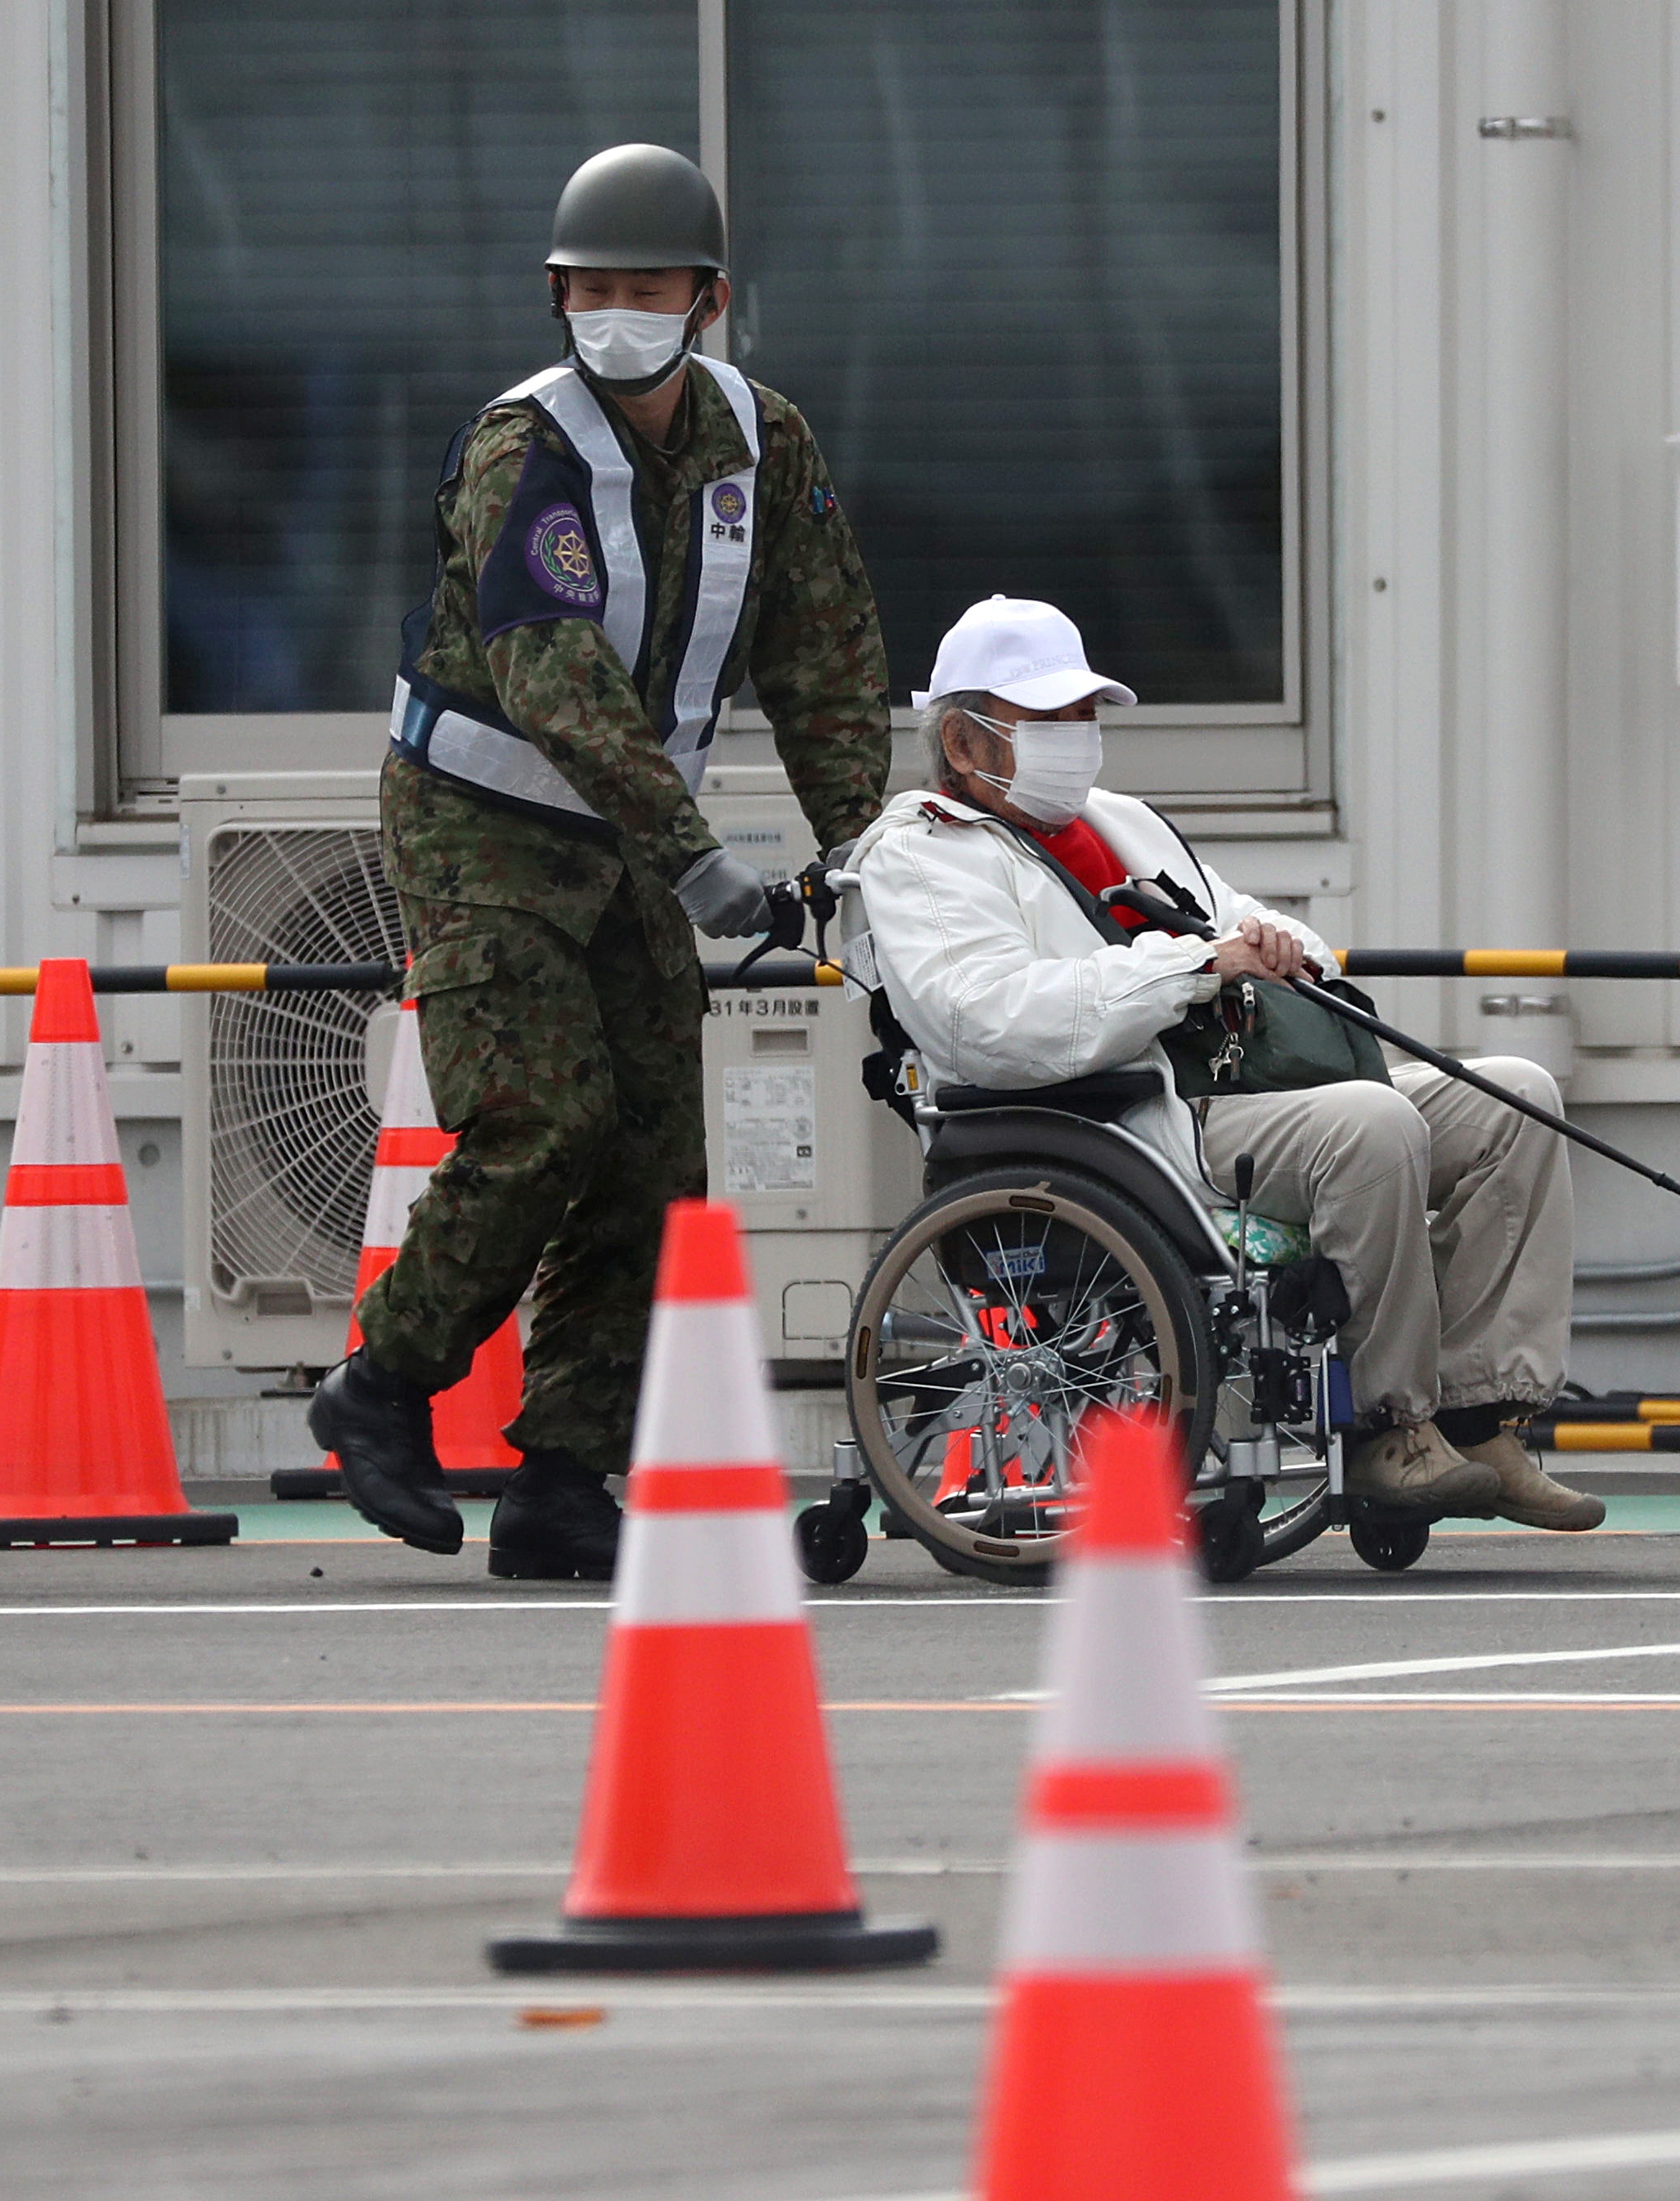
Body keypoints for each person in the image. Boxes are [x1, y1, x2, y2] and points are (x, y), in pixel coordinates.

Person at [311, 143, 892, 1580]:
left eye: (646, 290)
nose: (616, 313)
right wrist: (698, 858)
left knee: (657, 1157)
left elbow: (821, 655)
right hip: (485, 827)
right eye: (591, 290)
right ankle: (380, 1383)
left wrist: (867, 851)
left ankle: (563, 1472)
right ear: (558, 296)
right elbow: (554, 672)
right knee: (538, 1121)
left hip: (637, 839)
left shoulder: (768, 442)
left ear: (708, 299)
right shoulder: (526, 448)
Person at [848, 595, 1601, 1533]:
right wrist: (1192, 965)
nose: (1079, 740)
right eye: (1052, 721)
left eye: (1086, 717)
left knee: (1516, 1099)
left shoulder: (1119, 821)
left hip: (1238, 1084)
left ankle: (1478, 1411)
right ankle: (1386, 1426)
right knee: (1372, 1123)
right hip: (1124, 1113)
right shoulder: (923, 854)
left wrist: (1279, 947)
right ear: (965, 743)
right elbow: (989, 1021)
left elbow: (1256, 924)